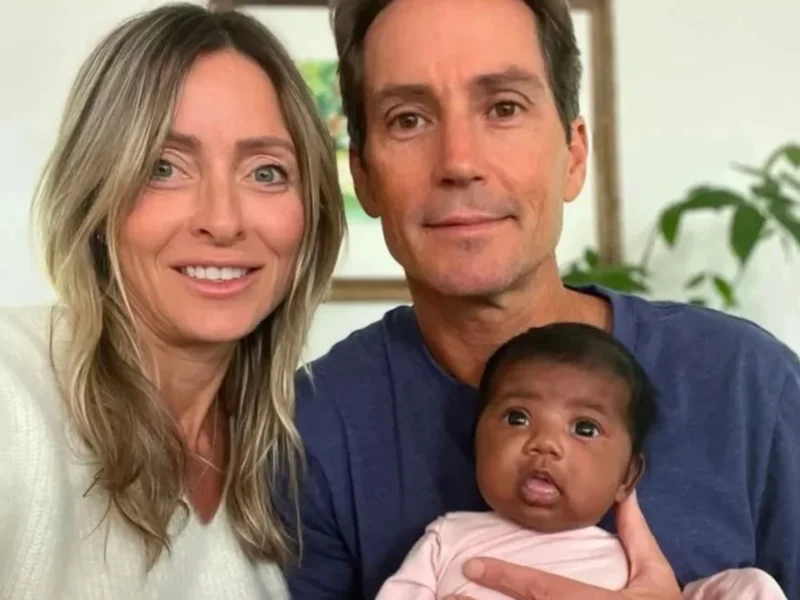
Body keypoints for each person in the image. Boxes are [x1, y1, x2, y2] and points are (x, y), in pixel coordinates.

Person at [282, 0, 800, 598]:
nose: (459, 162)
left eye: (503, 108)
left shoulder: (747, 386)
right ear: (364, 175)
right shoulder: (313, 428)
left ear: (573, 155)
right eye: (408, 119)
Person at [0, 4, 344, 599]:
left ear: (310, 214)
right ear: (97, 199)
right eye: (164, 167)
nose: (222, 220)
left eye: (266, 173)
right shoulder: (13, 396)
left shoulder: (289, 462)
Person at [373, 324, 786, 600]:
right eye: (517, 418)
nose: (545, 443)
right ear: (476, 440)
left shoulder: (636, 571)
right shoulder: (446, 541)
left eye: (584, 428)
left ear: (627, 477)